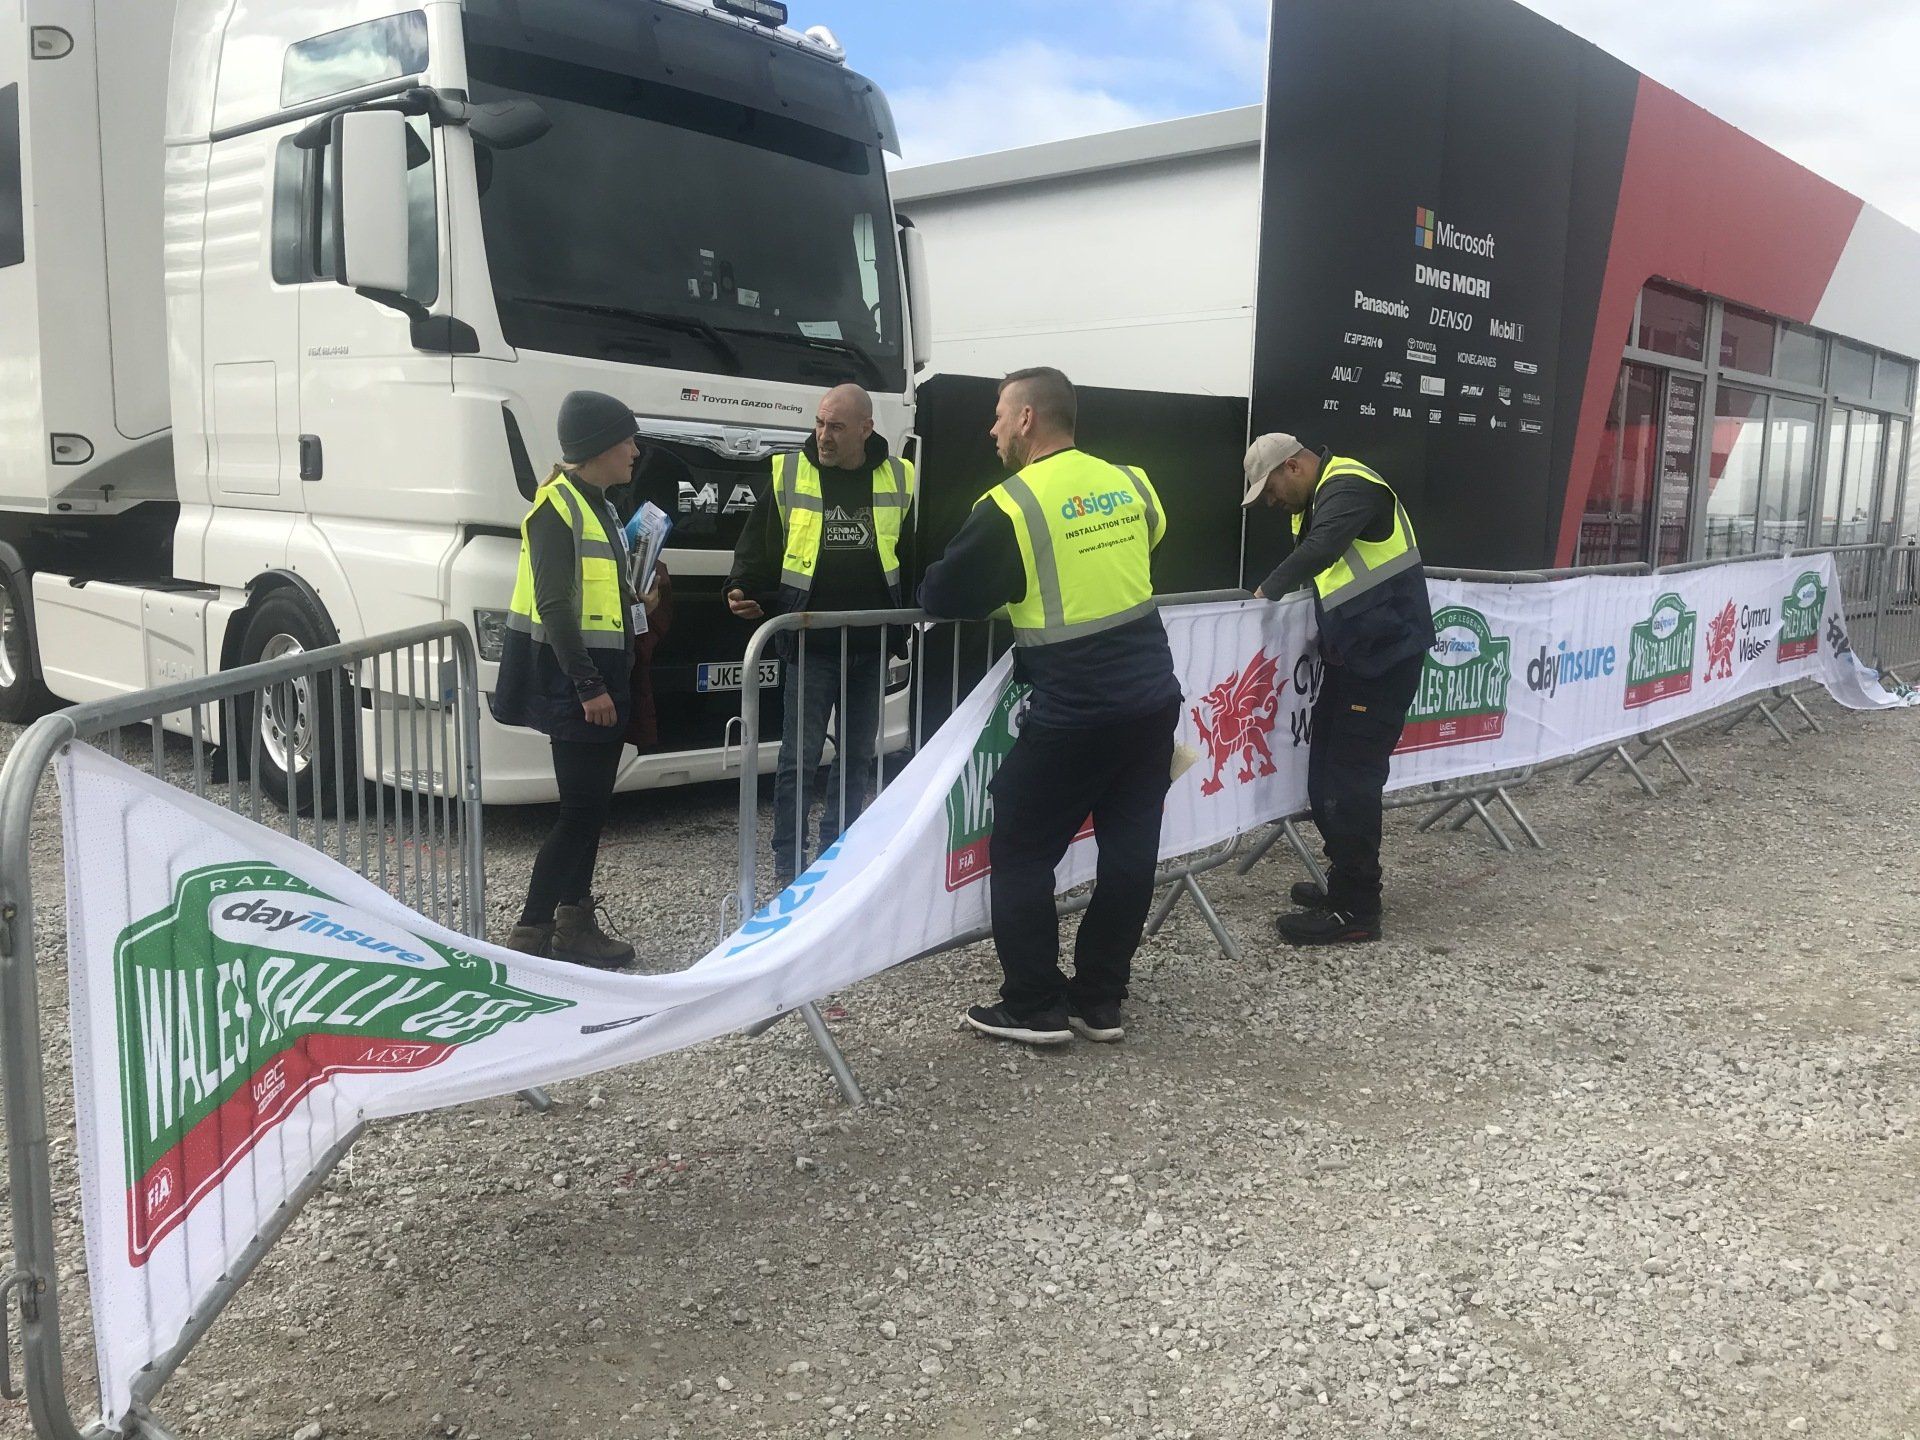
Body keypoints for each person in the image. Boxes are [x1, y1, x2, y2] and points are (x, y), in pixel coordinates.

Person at [921, 367, 1181, 1048]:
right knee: (1130, 852)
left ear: (1028, 419)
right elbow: (1147, 543)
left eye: (999, 415)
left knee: (1021, 849)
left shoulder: (1011, 504)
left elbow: (942, 595)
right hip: (1152, 697)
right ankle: (1100, 1001)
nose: (993, 429)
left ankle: (1034, 1006)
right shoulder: (1131, 482)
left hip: (1075, 704)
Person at [490, 391, 662, 969]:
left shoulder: (599, 506)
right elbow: (555, 605)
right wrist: (589, 686)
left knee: (589, 811)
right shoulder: (557, 509)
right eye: (627, 440)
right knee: (580, 814)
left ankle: (573, 927)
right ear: (599, 447)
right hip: (577, 682)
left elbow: (594, 594)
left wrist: (638, 600)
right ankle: (531, 936)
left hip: (599, 675)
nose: (635, 451)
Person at [1243, 433, 1435, 946]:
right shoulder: (1318, 499)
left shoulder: (1350, 486)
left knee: (1350, 783)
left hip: (1383, 658)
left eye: (1270, 490)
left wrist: (1263, 593)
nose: (1271, 502)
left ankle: (1357, 908)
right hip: (1355, 657)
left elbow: (1322, 549)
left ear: (1293, 467)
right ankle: (1345, 882)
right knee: (1325, 780)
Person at [727, 384, 916, 889]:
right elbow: (756, 547)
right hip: (810, 645)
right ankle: (789, 868)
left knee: (856, 759)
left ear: (866, 429)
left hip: (870, 645)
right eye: (819, 423)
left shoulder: (900, 476)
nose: (823, 436)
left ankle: (840, 857)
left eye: (836, 427)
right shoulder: (790, 473)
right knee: (799, 761)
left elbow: (914, 550)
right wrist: (739, 587)